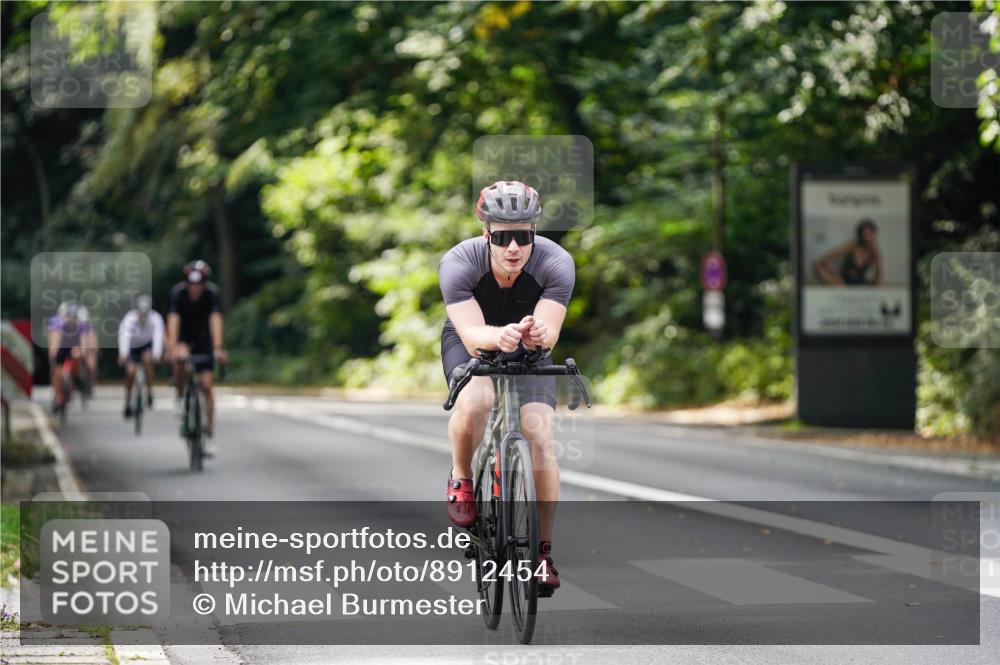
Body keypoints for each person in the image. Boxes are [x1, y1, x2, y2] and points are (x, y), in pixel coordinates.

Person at [438, 180, 575, 597]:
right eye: (502, 236)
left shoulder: (556, 263)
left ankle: (541, 555)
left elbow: (549, 332)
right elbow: (471, 331)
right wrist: (499, 337)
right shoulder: (459, 262)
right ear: (486, 234)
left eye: (523, 236)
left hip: (528, 348)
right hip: (471, 342)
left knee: (540, 438)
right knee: (477, 399)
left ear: (535, 232)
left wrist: (536, 334)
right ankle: (462, 478)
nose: (513, 247)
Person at [166, 261, 227, 447]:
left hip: (204, 339)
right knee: (181, 360)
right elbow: (173, 320)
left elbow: (215, 319)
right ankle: (179, 395)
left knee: (207, 385)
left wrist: (217, 347)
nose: (195, 289)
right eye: (191, 284)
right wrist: (172, 348)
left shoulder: (212, 294)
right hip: (184, 337)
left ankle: (208, 426)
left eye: (199, 284)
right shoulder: (178, 294)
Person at [117, 295, 165, 418]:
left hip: (147, 346)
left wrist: (157, 354)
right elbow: (124, 337)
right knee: (131, 371)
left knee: (148, 360)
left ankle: (149, 391)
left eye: (145, 313)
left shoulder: (155, 318)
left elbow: (158, 337)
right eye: (141, 313)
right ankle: (128, 400)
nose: (143, 316)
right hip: (133, 346)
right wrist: (123, 354)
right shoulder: (129, 319)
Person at [814, 219, 884, 286]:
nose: (867, 237)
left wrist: (878, 290)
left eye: (870, 234)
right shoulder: (851, 246)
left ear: (873, 235)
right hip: (843, 282)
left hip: (861, 283)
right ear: (859, 235)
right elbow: (822, 261)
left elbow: (879, 274)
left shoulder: (875, 250)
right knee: (818, 267)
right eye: (864, 234)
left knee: (879, 284)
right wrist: (837, 277)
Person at [47, 301, 90, 411]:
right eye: (67, 317)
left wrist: (82, 353)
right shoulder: (58, 324)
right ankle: (57, 396)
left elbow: (84, 342)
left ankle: (76, 379)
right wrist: (53, 353)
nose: (70, 320)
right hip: (61, 348)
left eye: (72, 318)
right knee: (56, 371)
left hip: (74, 348)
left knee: (77, 357)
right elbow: (55, 341)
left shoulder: (81, 325)